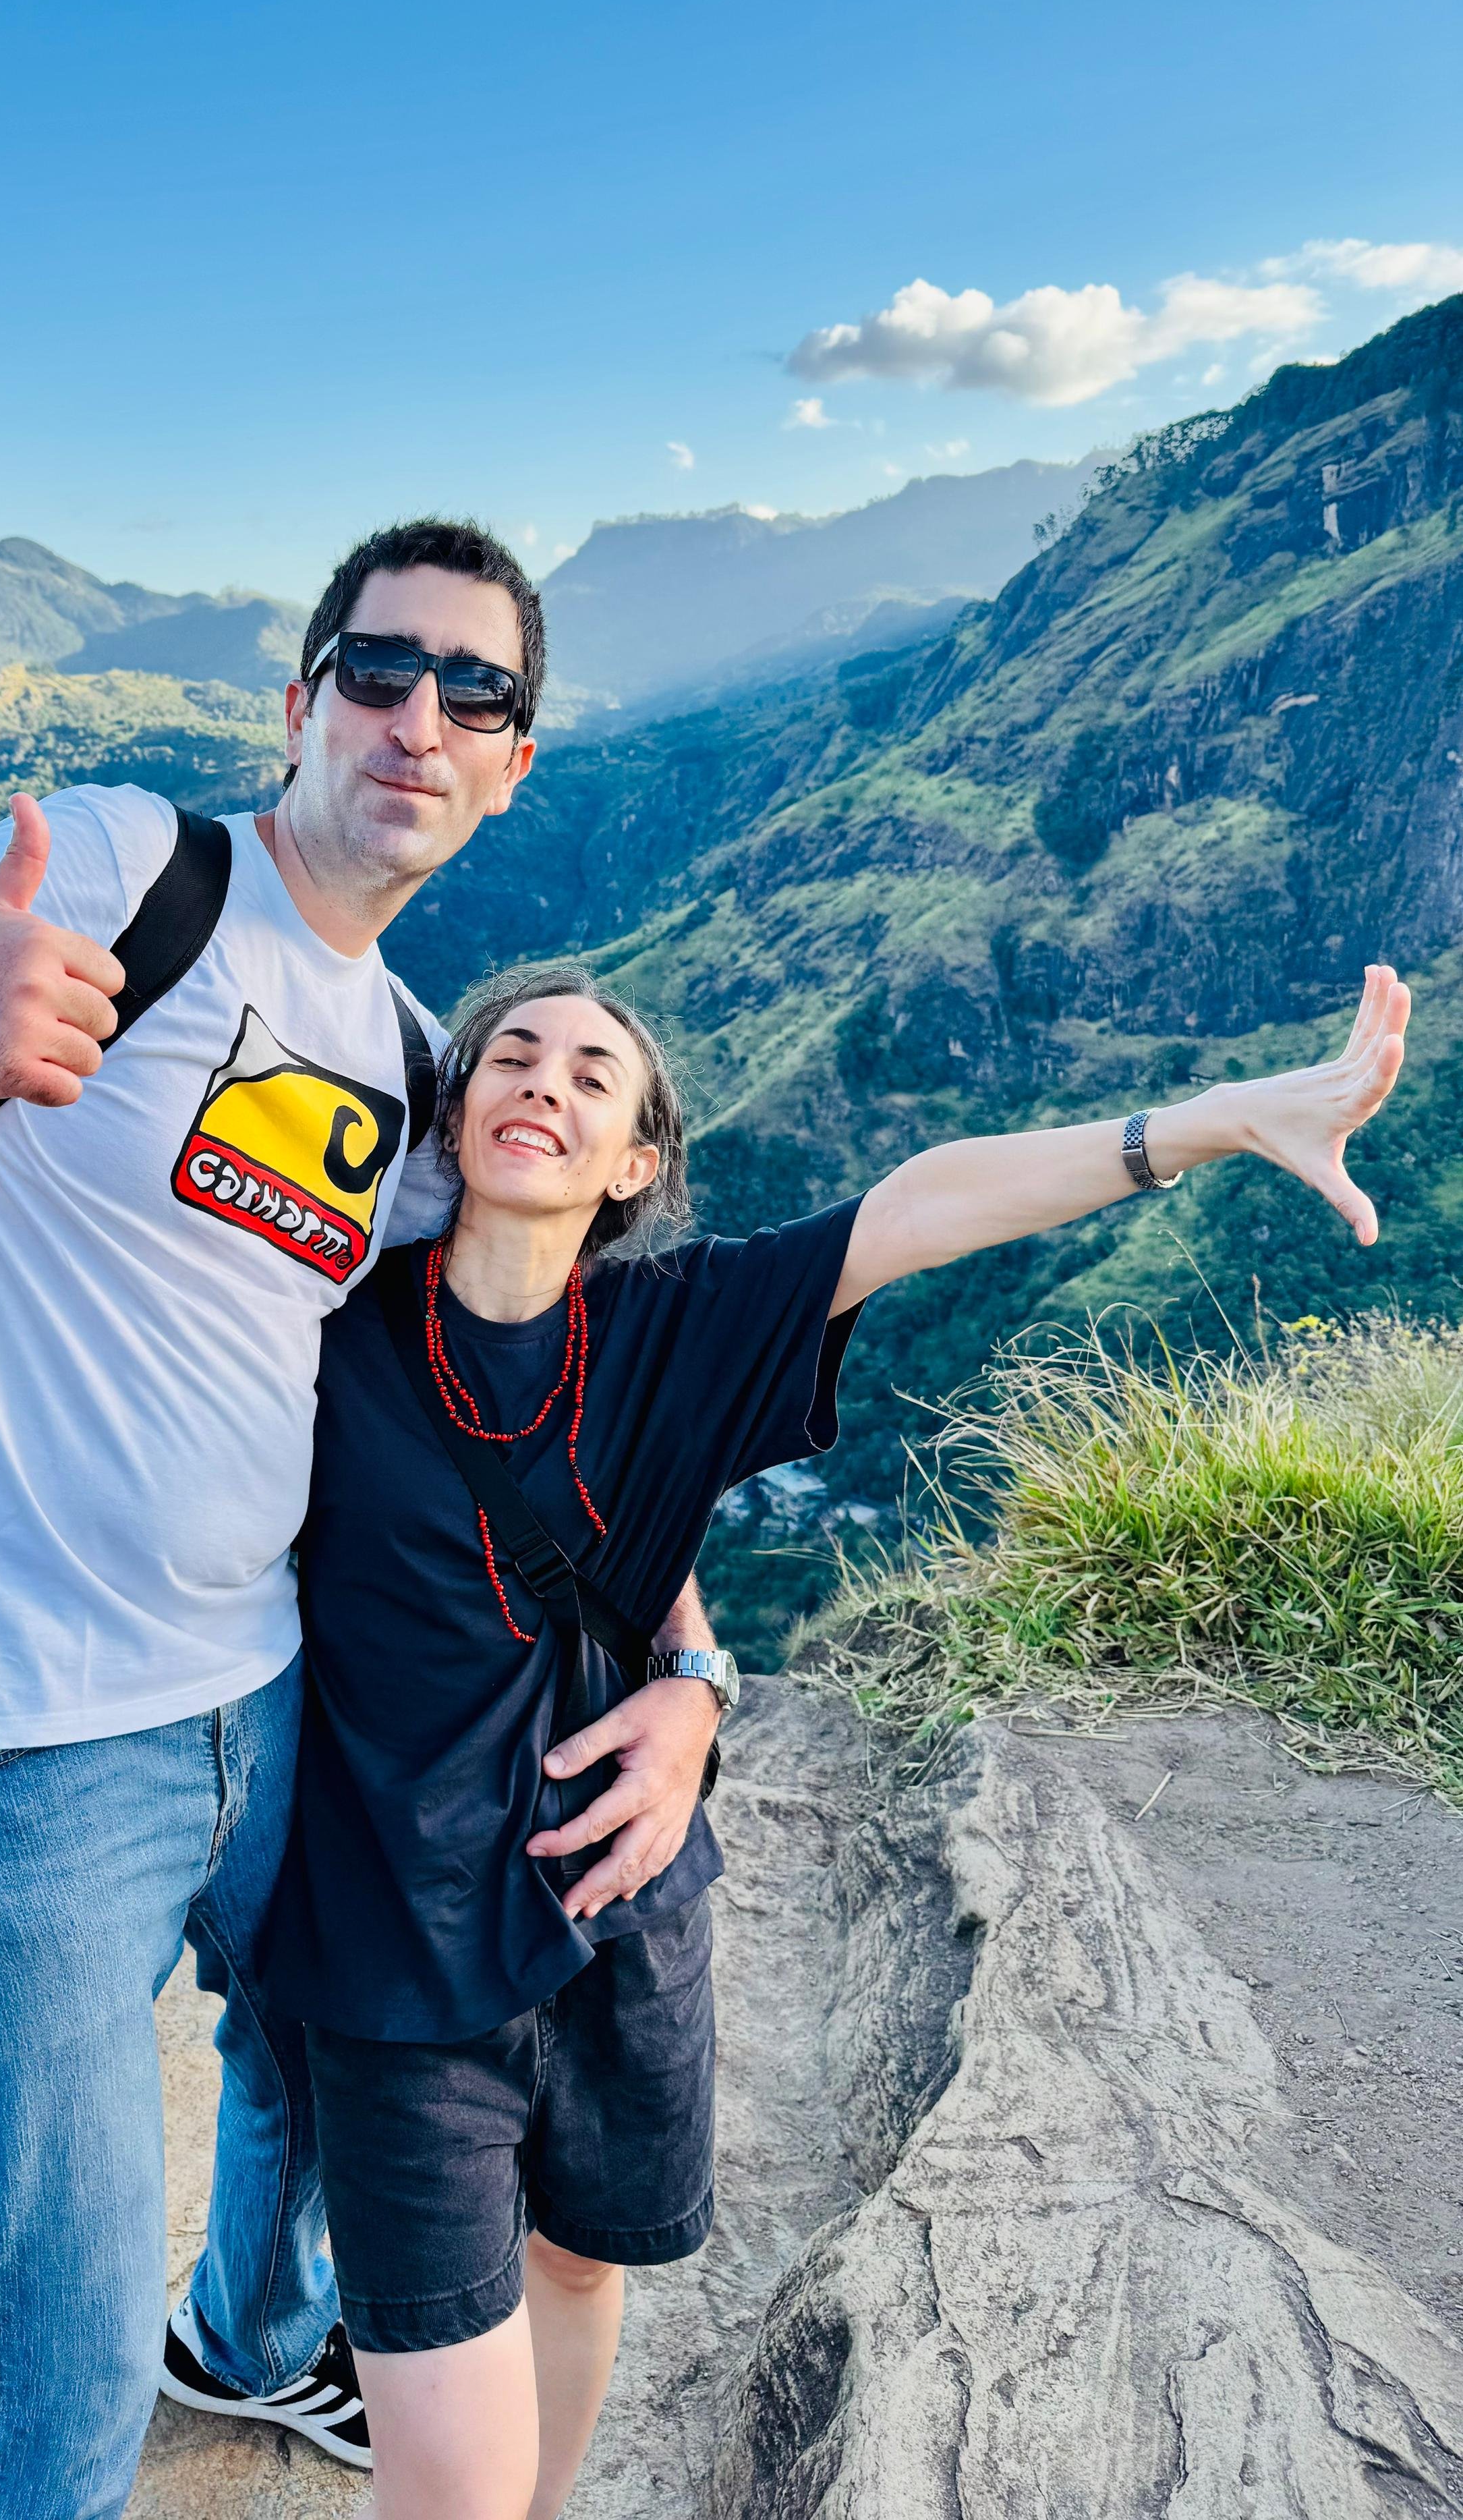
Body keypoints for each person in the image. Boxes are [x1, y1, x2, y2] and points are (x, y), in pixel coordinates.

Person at [0, 522, 726, 2518]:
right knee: (55, 2325)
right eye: (381, 673)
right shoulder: (133, 876)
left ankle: (250, 2329)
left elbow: (526, 1386)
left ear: (512, 764)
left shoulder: (403, 1058)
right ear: (301, 704)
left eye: (475, 693)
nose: (421, 717)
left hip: (271, 1692)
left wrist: (691, 1666)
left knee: (312, 2059)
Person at [264, 955, 1411, 2520]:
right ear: (454, 1109)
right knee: (447, 2481)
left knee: (587, 2260)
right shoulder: (319, 1325)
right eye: (512, 1057)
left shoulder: (677, 1326)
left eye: (596, 1077)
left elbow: (927, 1205)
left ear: (636, 1164)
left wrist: (1211, 1123)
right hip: (395, 1956)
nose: (547, 1081)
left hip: (624, 1914)